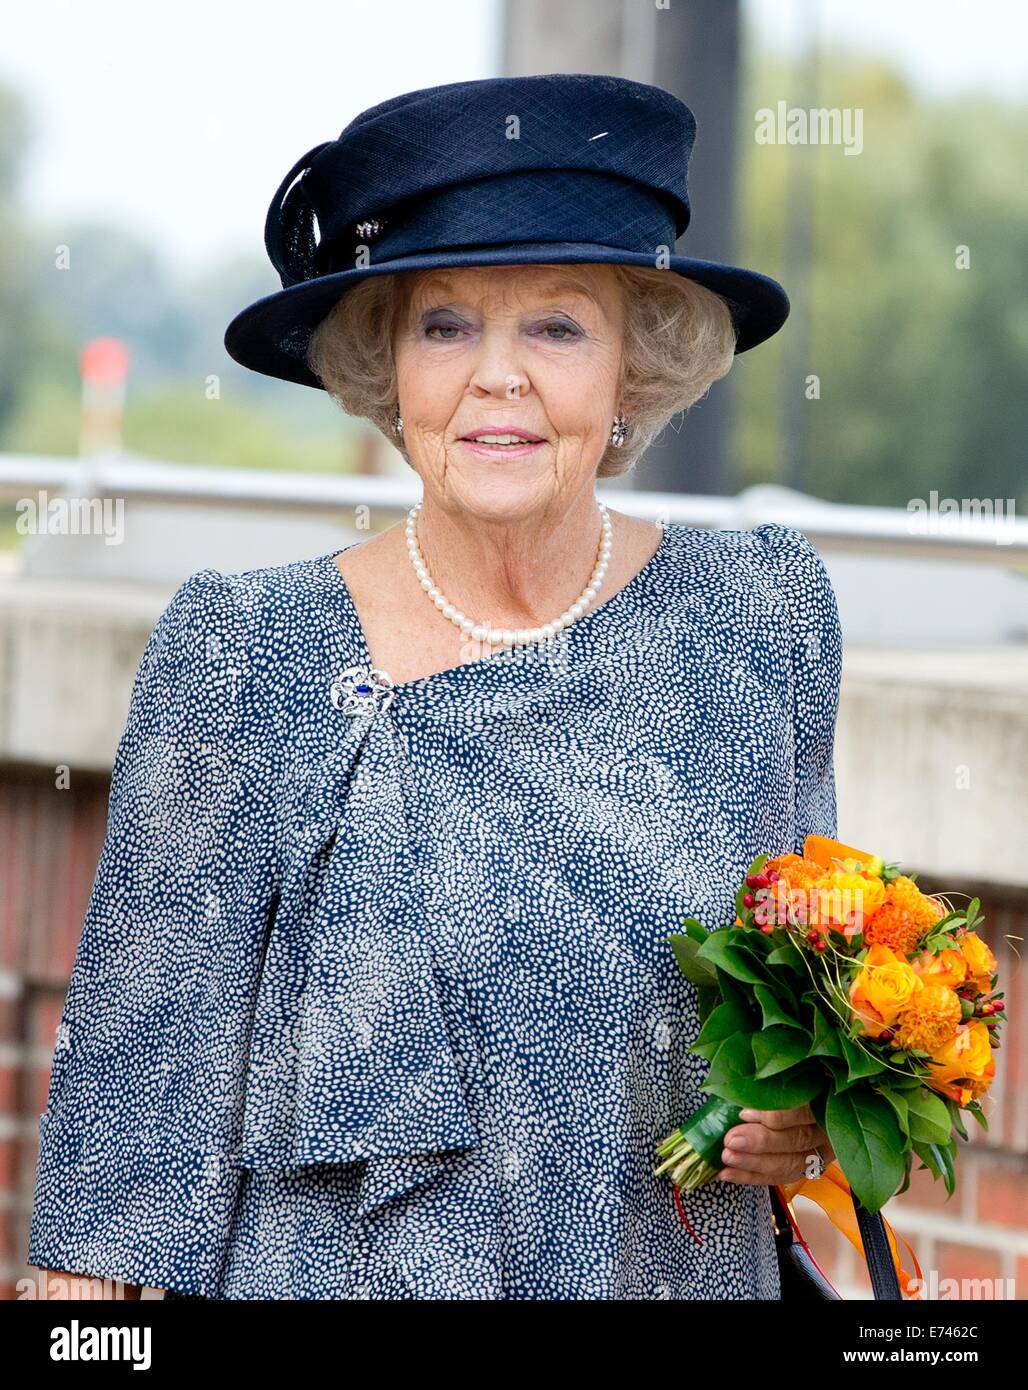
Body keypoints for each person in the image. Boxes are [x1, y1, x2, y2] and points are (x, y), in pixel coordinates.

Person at [27, 73, 841, 1301]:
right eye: (445, 325)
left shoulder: (761, 618)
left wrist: (804, 1117)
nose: (495, 376)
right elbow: (119, 1182)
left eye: (557, 327)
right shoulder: (247, 653)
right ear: (387, 369)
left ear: (635, 366)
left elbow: (807, 1001)